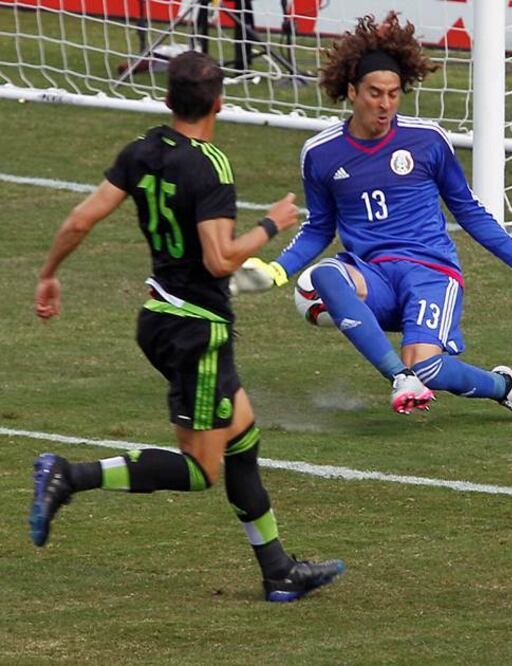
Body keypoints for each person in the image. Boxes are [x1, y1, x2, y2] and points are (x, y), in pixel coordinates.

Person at [30, 50, 345, 603]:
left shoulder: (141, 151)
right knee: (202, 468)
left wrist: (49, 275)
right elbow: (221, 260)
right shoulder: (210, 166)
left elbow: (82, 218)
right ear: (219, 102)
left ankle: (278, 571)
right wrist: (273, 223)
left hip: (158, 318)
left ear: (168, 98)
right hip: (197, 331)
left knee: (243, 436)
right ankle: (68, 475)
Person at [232, 13, 512, 420]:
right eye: (374, 93)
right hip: (374, 278)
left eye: (394, 94)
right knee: (324, 275)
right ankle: (401, 379)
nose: (385, 105)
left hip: (431, 273)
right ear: (351, 91)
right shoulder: (321, 154)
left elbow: (469, 211)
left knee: (430, 369)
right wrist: (276, 272)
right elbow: (318, 228)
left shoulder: (427, 141)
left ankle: (503, 385)